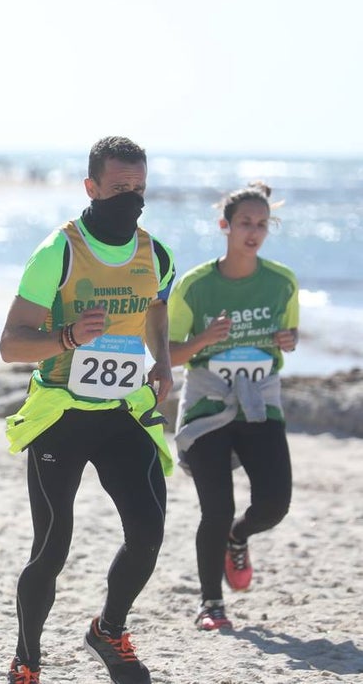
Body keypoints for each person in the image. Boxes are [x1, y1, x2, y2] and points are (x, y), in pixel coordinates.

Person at [0, 136, 176, 684]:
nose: (130, 198)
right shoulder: (59, 252)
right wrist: (69, 336)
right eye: (119, 188)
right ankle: (27, 658)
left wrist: (163, 362)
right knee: (52, 548)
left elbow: (156, 310)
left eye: (138, 188)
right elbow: (10, 345)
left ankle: (108, 630)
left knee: (148, 533)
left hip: (124, 412)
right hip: (61, 415)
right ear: (91, 187)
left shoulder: (156, 253)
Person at [167, 182, 298, 632]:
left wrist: (289, 340)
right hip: (207, 402)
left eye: (262, 224)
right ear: (225, 225)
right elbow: (168, 351)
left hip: (260, 399)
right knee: (216, 508)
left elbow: (286, 338)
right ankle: (211, 604)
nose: (254, 232)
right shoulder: (195, 286)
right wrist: (203, 339)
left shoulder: (281, 282)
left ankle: (237, 538)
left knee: (275, 504)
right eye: (245, 222)